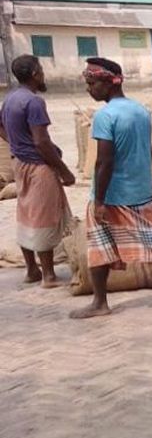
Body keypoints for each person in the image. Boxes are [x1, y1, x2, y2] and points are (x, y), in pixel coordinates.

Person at [73, 58, 152, 319]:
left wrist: (98, 200)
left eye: (91, 83)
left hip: (113, 196)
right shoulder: (140, 111)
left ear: (108, 84)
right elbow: (149, 151)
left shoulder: (105, 116)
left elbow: (104, 162)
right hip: (140, 191)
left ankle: (100, 303)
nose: (89, 88)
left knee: (99, 248)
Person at [0, 55, 75, 288]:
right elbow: (42, 142)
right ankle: (49, 275)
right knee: (44, 217)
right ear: (34, 73)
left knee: (26, 214)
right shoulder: (34, 102)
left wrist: (15, 144)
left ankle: (32, 269)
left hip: (19, 163)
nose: (43, 74)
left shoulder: (11, 98)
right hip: (38, 166)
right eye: (41, 69)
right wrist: (64, 171)